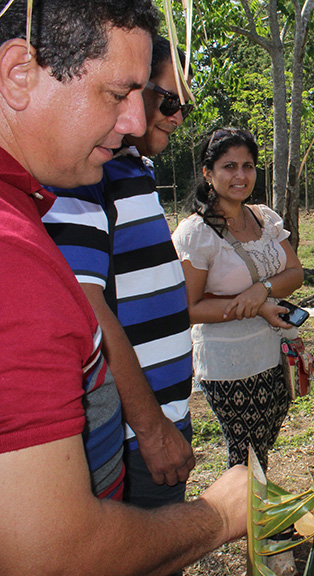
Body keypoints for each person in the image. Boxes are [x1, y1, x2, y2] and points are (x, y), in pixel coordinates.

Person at [0, 3, 246, 574]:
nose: (137, 120)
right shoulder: (14, 256)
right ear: (19, 74)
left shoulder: (40, 199)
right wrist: (217, 517)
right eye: (118, 94)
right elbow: (53, 554)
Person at [43, 35, 197, 510]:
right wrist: (149, 428)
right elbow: (89, 309)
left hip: (164, 413)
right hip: (134, 433)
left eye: (185, 106)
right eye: (169, 99)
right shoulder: (85, 176)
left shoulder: (130, 169)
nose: (176, 116)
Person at [172, 127, 304, 470]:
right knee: (245, 454)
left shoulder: (263, 217)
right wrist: (256, 307)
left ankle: (251, 515)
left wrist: (263, 289)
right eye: (229, 166)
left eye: (248, 166)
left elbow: (295, 273)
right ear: (208, 173)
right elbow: (190, 308)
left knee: (262, 444)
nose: (240, 176)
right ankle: (240, 519)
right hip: (229, 362)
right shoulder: (197, 233)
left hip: (272, 354)